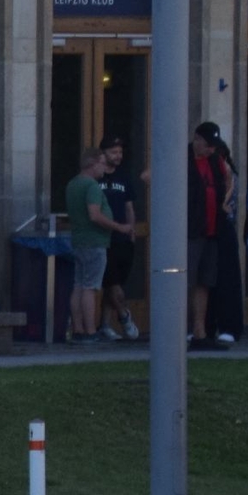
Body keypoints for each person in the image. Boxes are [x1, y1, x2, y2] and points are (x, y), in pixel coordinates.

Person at [64, 146, 131, 344]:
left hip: (79, 241)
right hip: (94, 241)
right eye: (102, 163)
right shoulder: (92, 186)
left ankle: (77, 329)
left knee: (78, 285)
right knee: (90, 287)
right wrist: (118, 227)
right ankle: (90, 331)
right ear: (92, 164)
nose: (105, 168)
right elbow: (94, 215)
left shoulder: (72, 184)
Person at [182, 124, 236, 350]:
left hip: (212, 231)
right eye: (207, 145)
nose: (210, 150)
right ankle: (175, 328)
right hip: (191, 230)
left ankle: (199, 331)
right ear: (196, 140)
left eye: (213, 146)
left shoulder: (215, 160)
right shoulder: (182, 157)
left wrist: (224, 203)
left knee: (205, 281)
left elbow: (229, 179)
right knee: (186, 279)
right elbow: (149, 176)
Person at [98, 135, 140, 341]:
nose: (118, 156)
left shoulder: (124, 178)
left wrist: (131, 228)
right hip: (103, 238)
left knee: (112, 283)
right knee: (114, 283)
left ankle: (104, 324)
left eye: (120, 152)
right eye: (114, 152)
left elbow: (129, 206)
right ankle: (125, 317)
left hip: (123, 239)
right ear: (103, 153)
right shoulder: (95, 178)